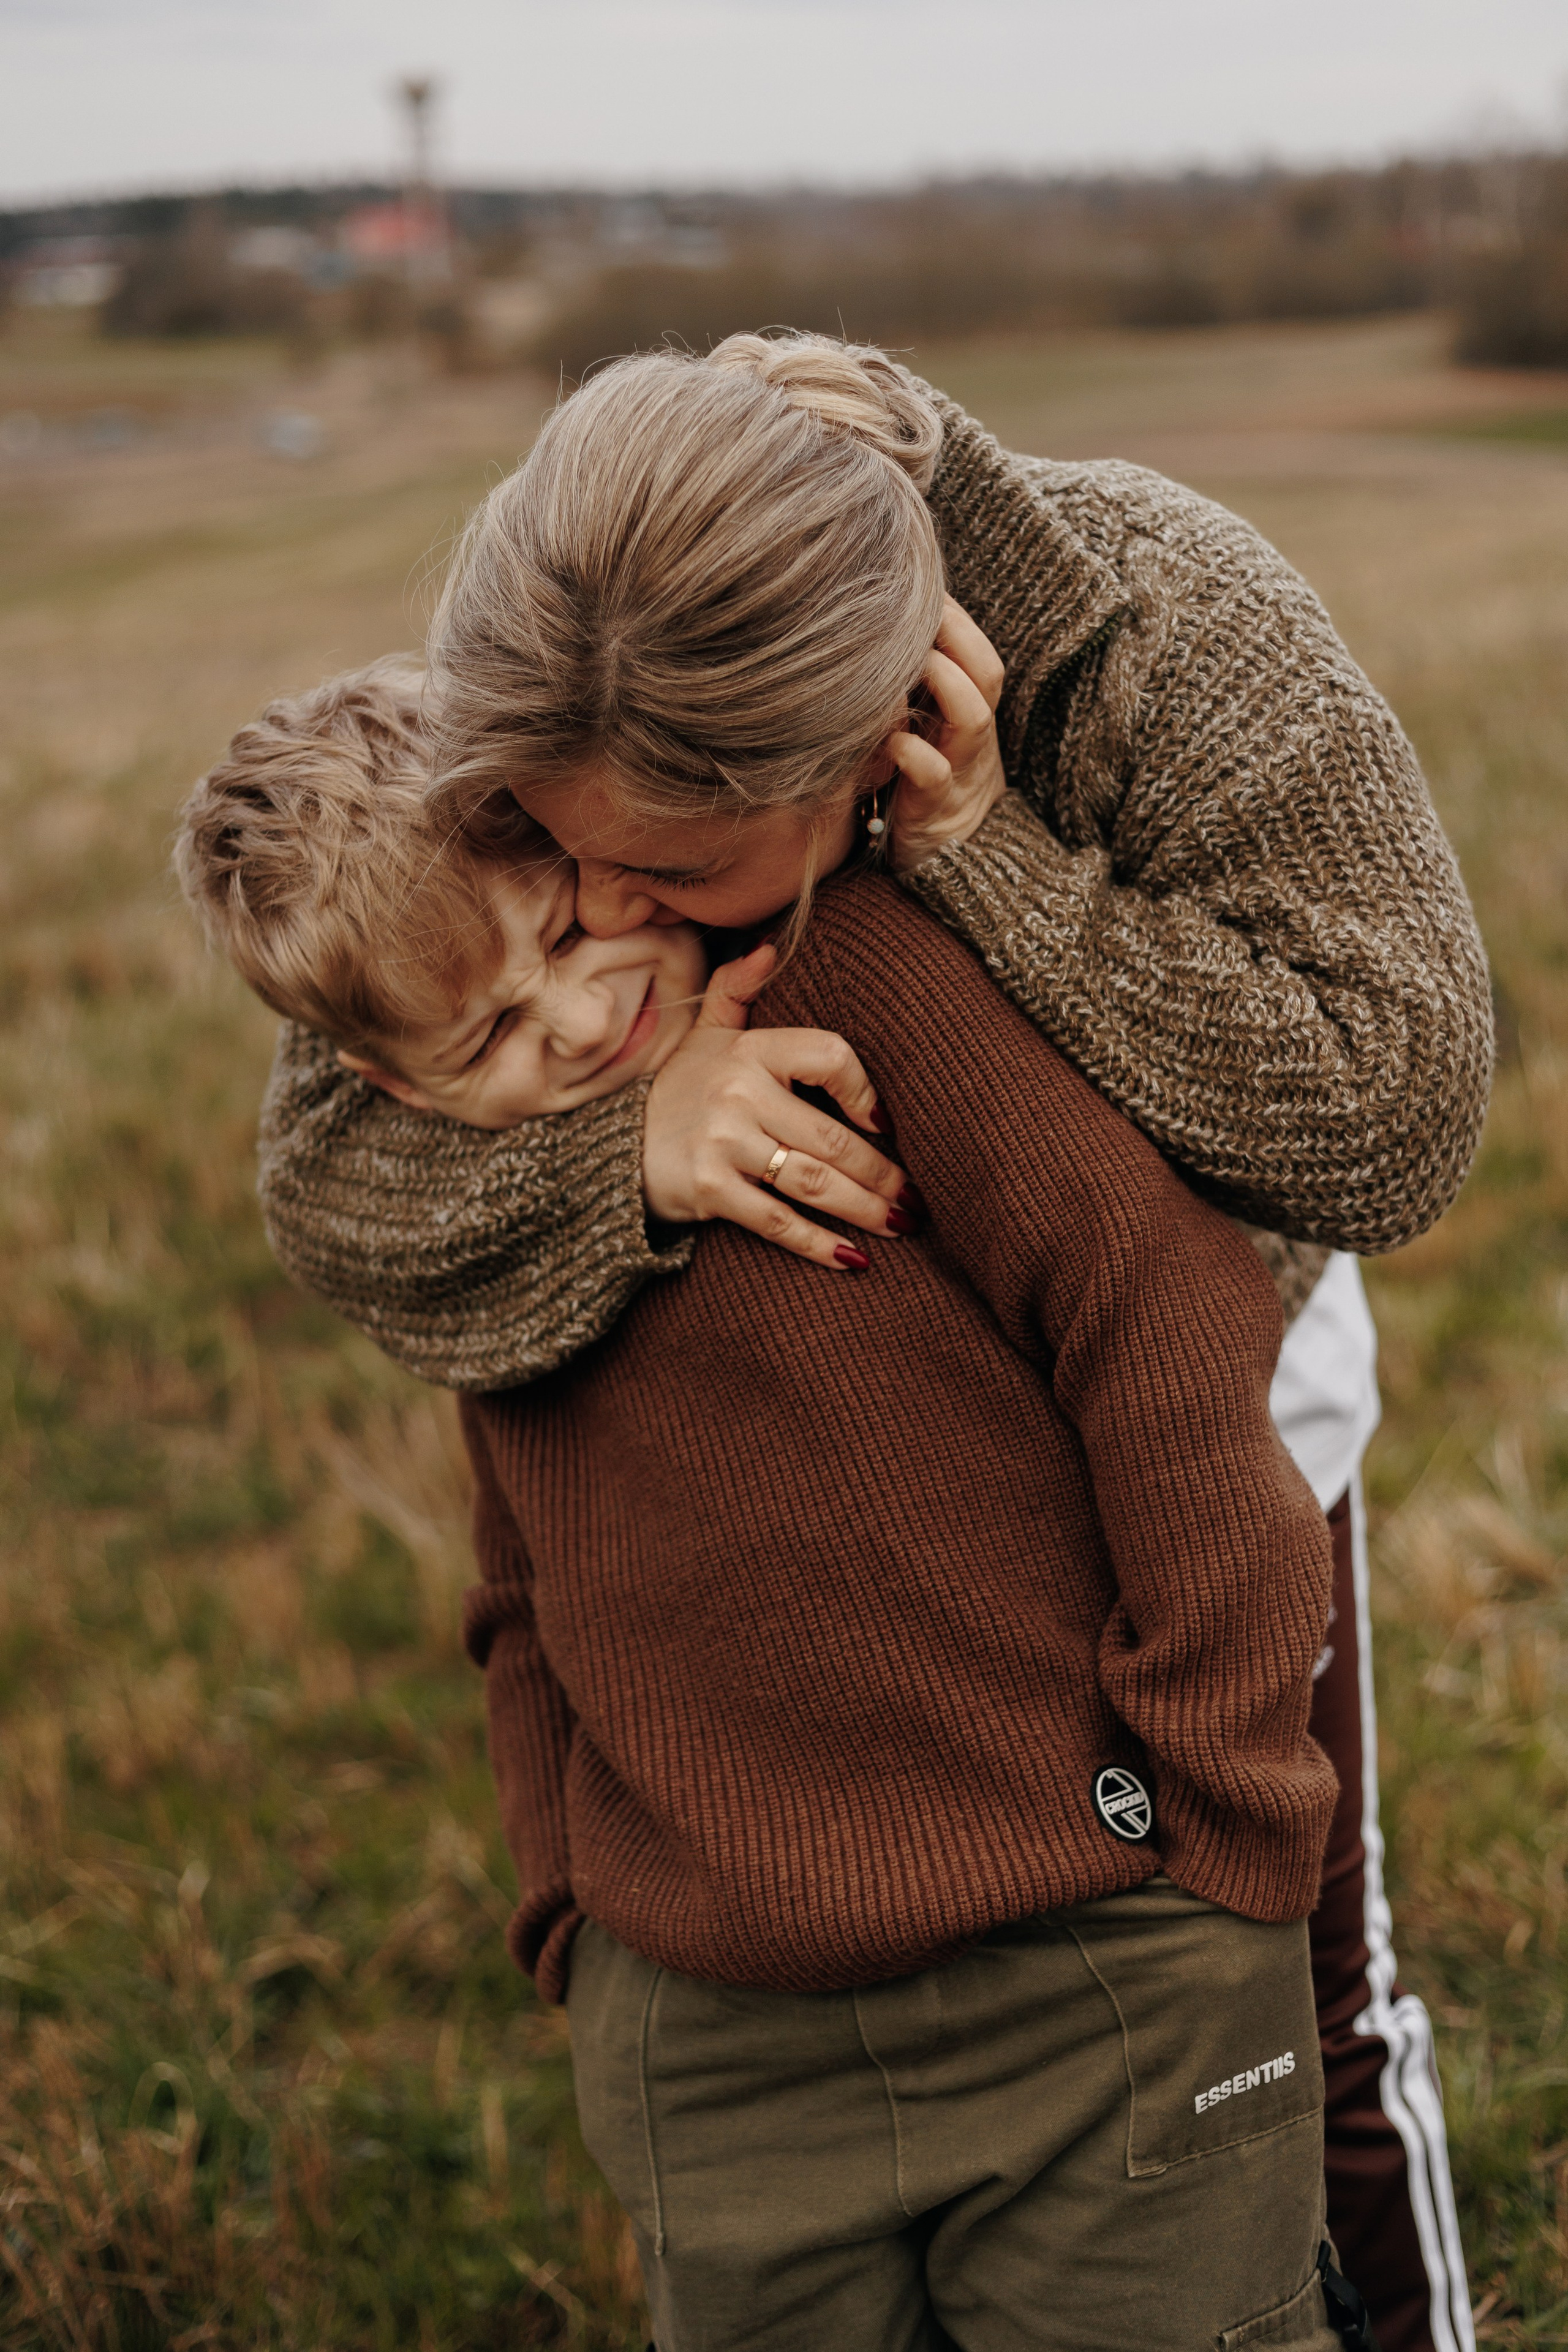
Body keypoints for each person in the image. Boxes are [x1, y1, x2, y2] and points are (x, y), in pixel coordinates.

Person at [253, 335, 1491, 2352]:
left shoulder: (1169, 629)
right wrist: (629, 1151)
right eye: (556, 847)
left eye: (651, 878)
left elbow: (1389, 1117)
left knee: (1306, 2014)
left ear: (869, 746)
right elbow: (332, 1164)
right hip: (839, 1557)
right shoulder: (588, 645)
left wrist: (997, 872)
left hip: (1205, 1425)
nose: (593, 917)